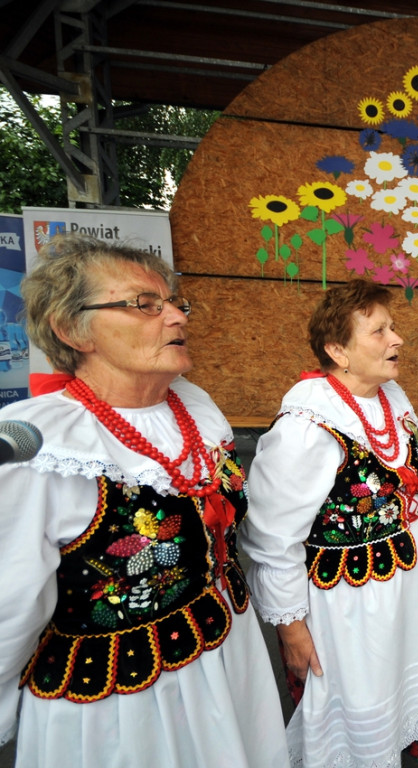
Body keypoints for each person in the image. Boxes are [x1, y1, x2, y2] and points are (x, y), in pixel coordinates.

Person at [0, 234, 287, 767]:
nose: (177, 317)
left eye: (176, 302)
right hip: (121, 700)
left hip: (227, 654)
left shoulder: (194, 407)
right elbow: (8, 604)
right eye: (144, 305)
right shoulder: (41, 445)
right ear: (71, 330)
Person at [240, 280, 418, 766]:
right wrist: (291, 628)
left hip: (410, 586)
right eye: (379, 332)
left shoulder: (392, 396)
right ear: (338, 350)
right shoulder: (307, 425)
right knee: (360, 702)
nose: (397, 339)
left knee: (399, 684)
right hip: (353, 603)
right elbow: (272, 539)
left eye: (392, 327)